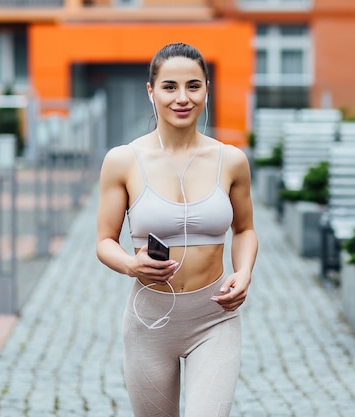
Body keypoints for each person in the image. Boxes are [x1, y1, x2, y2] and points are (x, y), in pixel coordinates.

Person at [95, 42, 258, 417]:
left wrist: (244, 272)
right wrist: (129, 265)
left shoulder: (231, 160)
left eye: (193, 86)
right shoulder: (123, 161)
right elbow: (104, 241)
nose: (182, 98)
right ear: (151, 92)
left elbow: (245, 229)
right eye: (169, 87)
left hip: (215, 316)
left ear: (206, 89)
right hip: (149, 321)